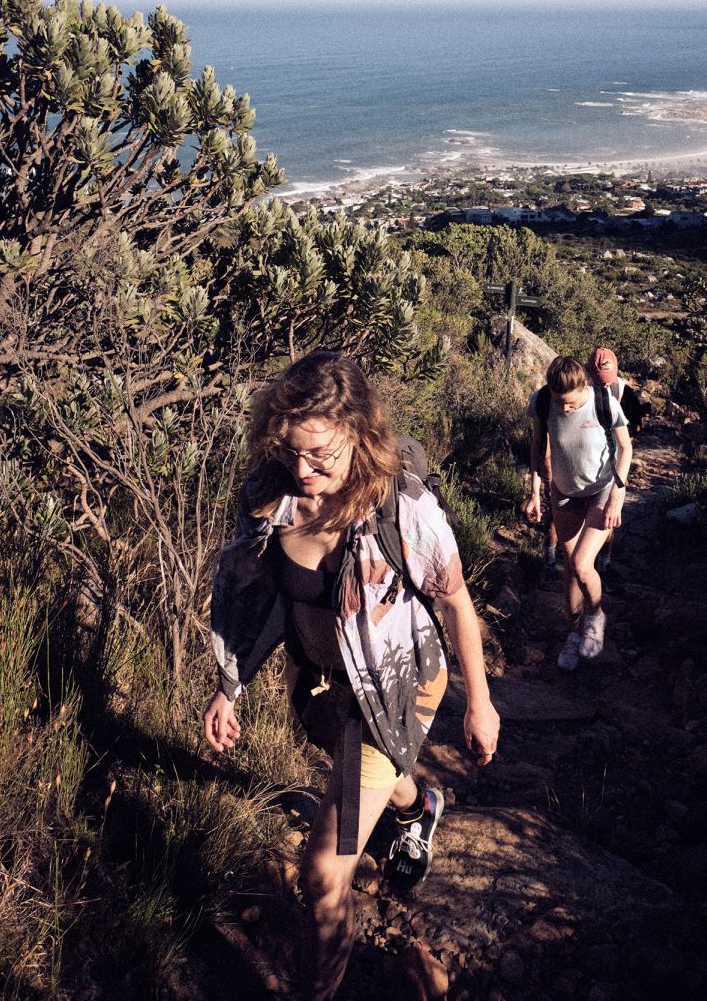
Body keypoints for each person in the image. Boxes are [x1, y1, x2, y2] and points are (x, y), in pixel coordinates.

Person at [204, 350, 500, 1001]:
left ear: (359, 438)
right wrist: (232, 685)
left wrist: (480, 703)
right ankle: (417, 806)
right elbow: (263, 597)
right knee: (365, 771)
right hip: (323, 683)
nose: (304, 472)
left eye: (321, 458)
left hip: (397, 687)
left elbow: (453, 600)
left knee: (320, 873)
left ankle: (321, 990)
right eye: (291, 453)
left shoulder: (401, 506)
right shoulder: (270, 494)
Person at [524, 354, 633, 671]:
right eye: (560, 402)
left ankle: (596, 615)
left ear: (583, 387)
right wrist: (534, 494)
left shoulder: (602, 401)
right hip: (563, 492)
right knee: (569, 567)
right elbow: (536, 447)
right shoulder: (543, 401)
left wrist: (618, 495)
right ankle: (573, 634)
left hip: (600, 490)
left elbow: (625, 448)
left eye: (570, 404)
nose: (565, 409)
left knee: (584, 565)